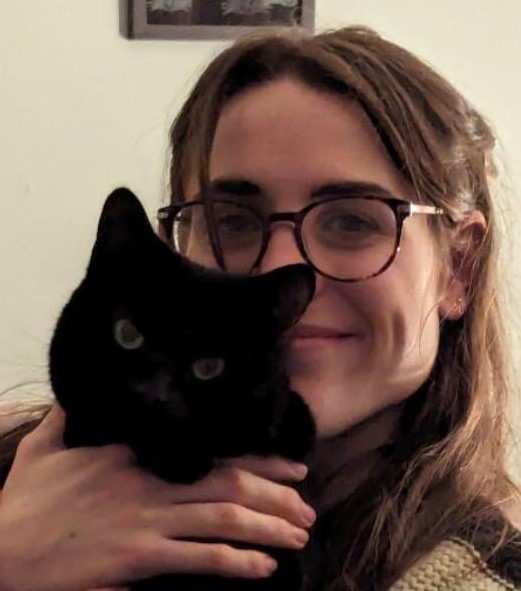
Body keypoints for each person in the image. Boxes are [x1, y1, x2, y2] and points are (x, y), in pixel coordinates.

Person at [0, 24, 520, 591]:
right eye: (232, 222)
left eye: (352, 222)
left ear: (458, 268)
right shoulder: (15, 471)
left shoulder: (484, 569)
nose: (279, 265)